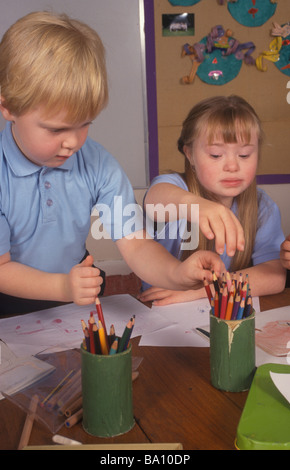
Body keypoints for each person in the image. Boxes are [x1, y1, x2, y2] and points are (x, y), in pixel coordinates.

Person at [0, 11, 224, 315]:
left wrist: (177, 273)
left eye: (84, 124)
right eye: (56, 129)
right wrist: (61, 287)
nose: (73, 142)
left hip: (75, 288)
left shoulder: (97, 164)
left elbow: (136, 245)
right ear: (8, 108)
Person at [140, 95, 286, 305]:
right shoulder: (173, 186)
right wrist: (196, 206)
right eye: (216, 155)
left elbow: (274, 277)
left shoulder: (262, 206)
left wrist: (201, 291)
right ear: (189, 154)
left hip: (219, 309)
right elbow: (154, 202)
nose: (232, 166)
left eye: (244, 155)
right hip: (161, 311)